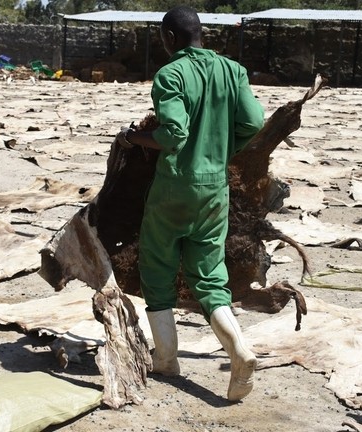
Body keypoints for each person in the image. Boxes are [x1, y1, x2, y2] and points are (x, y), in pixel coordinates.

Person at [115, 5, 265, 402]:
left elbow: (173, 135)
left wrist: (133, 140)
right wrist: (220, 150)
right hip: (215, 189)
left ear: (168, 38)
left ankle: (166, 360)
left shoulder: (171, 74)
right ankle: (239, 350)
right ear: (202, 34)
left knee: (157, 267)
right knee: (209, 276)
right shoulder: (232, 71)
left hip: (174, 189)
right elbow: (253, 122)